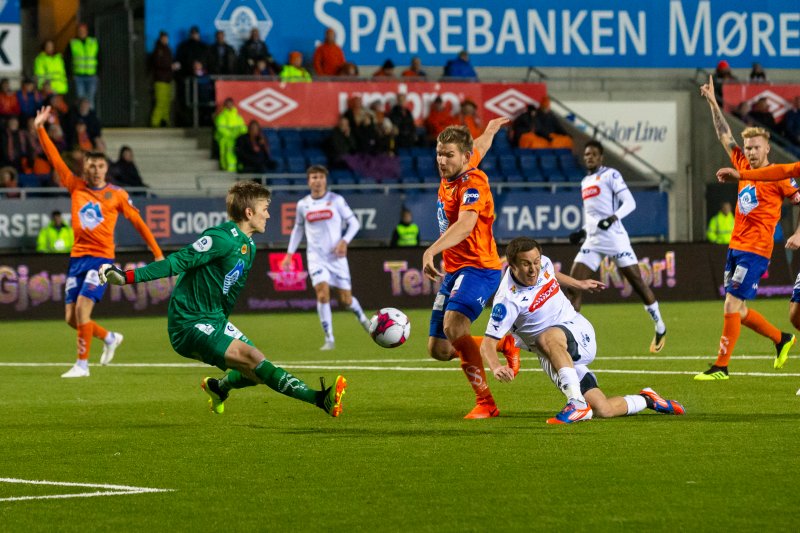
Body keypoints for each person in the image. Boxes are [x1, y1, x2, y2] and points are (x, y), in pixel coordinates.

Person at [97, 181, 348, 417]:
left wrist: (222, 324)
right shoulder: (220, 238)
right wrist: (126, 277)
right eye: (265, 209)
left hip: (214, 319)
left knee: (256, 372)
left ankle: (219, 387)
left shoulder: (248, 247)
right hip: (188, 323)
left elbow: (229, 292)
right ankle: (320, 399)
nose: (268, 215)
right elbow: (178, 261)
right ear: (249, 213)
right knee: (254, 359)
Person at [480, 237, 685, 424]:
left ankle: (576, 404)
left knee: (546, 338)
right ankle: (648, 400)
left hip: (575, 330)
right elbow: (488, 343)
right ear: (512, 266)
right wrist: (496, 367)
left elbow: (551, 272)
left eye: (536, 262)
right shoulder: (507, 301)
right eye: (526, 264)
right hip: (553, 355)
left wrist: (579, 283)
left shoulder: (542, 264)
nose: (533, 269)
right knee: (602, 409)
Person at [34, 105, 164, 378]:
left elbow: (138, 222)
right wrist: (40, 128)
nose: (95, 170)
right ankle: (109, 337)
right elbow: (55, 158)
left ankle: (82, 365)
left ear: (106, 168)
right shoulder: (74, 184)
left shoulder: (116, 194)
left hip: (102, 259)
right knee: (71, 319)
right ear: (85, 167)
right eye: (91, 165)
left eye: (100, 166)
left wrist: (157, 252)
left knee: (83, 310)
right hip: (77, 259)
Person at [695, 75, 799, 381]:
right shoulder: (741, 162)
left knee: (731, 302)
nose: (750, 151)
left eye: (755, 147)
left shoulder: (779, 176)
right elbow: (723, 134)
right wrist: (714, 102)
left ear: (767, 148)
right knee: (737, 310)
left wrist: (796, 233)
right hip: (735, 247)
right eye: (748, 147)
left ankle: (721, 367)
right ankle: (782, 339)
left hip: (756, 250)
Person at [421, 118, 522, 419]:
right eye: (439, 153)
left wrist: (431, 249)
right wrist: (490, 130)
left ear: (462, 158)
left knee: (454, 326)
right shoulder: (460, 163)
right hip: (454, 270)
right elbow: (478, 146)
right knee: (439, 349)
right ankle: (502, 342)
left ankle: (486, 404)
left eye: (448, 154)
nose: (441, 160)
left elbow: (466, 225)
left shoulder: (473, 182)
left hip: (479, 268)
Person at [567, 140, 667, 353]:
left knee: (637, 282)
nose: (589, 157)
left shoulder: (611, 175)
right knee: (573, 286)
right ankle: (571, 336)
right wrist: (583, 230)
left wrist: (612, 219)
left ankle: (660, 325)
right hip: (593, 241)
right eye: (586, 154)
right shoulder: (585, 181)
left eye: (593, 154)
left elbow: (630, 203)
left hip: (615, 238)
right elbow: (593, 215)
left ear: (601, 157)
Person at [280, 165, 371, 350]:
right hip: (316, 258)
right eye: (313, 177)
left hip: (336, 258)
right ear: (308, 181)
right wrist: (289, 254)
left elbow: (353, 223)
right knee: (322, 294)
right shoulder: (302, 205)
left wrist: (344, 241)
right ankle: (329, 338)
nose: (317, 180)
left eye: (320, 177)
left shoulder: (336, 200)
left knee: (345, 300)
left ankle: (363, 318)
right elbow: (298, 229)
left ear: (325, 180)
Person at [716, 161, 800, 331]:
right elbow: (776, 172)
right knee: (795, 315)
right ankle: (781, 340)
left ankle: (722, 359)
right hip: (739, 245)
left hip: (755, 248)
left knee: (733, 305)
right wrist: (741, 175)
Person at [64, 23, 99, 109]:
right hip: (78, 76)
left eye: (83, 30)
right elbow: (67, 59)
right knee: (80, 98)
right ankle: (81, 119)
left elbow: (99, 57)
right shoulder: (73, 43)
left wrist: (98, 72)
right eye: (80, 31)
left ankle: (90, 119)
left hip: (91, 75)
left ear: (86, 31)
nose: (81, 32)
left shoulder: (93, 42)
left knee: (90, 98)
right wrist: (70, 73)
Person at [150, 31, 177, 127]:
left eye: (166, 38)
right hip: (160, 80)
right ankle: (155, 123)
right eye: (163, 38)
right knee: (160, 103)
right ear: (160, 38)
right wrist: (170, 66)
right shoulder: (158, 50)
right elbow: (158, 64)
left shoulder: (168, 49)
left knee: (167, 103)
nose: (165, 40)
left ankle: (165, 122)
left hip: (168, 80)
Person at [214, 98, 247, 172]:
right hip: (226, 139)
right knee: (228, 153)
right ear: (225, 105)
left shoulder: (237, 116)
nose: (229, 106)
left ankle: (239, 167)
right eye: (228, 104)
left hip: (238, 139)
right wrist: (231, 135)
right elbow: (220, 128)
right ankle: (229, 168)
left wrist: (242, 135)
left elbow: (243, 127)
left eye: (231, 104)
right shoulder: (222, 116)